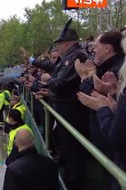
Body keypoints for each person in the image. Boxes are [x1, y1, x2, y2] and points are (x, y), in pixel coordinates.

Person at [27, 18, 89, 189]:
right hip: (63, 108)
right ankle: (68, 173)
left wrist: (48, 80)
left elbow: (61, 82)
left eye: (59, 43)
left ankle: (74, 181)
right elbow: (53, 67)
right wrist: (32, 60)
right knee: (65, 145)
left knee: (72, 149)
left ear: (66, 43)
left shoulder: (75, 56)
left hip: (71, 110)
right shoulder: (68, 56)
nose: (58, 47)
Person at [77, 32, 126, 190]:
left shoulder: (116, 69)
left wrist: (85, 78)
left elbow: (91, 96)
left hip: (111, 140)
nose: (93, 50)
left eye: (96, 46)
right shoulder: (109, 69)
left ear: (107, 48)